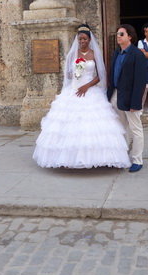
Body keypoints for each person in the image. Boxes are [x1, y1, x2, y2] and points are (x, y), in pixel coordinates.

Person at [33, 24, 130, 168]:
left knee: (93, 126)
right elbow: (67, 74)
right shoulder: (73, 54)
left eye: (84, 39)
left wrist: (86, 86)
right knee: (70, 127)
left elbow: (100, 76)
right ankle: (69, 158)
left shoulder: (94, 54)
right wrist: (75, 74)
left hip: (90, 90)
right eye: (80, 39)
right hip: (74, 90)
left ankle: (96, 158)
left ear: (89, 39)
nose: (82, 41)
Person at [107, 24, 148, 173]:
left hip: (131, 97)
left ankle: (137, 160)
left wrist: (135, 102)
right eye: (117, 34)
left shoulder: (137, 54)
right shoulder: (116, 53)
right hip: (116, 95)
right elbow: (112, 76)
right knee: (120, 129)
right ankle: (122, 157)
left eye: (121, 34)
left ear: (129, 36)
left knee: (135, 129)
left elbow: (140, 81)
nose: (118, 36)